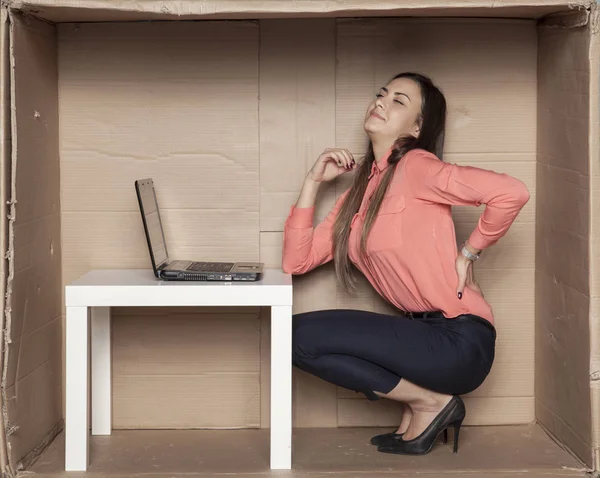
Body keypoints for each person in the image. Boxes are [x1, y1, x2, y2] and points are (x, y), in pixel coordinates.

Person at [281, 72, 530, 456]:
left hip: (460, 340)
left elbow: (511, 192)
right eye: (381, 94)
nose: (380, 101)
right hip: (422, 337)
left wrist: (470, 252)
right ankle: (426, 401)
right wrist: (313, 181)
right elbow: (297, 261)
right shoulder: (357, 196)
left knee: (295, 336)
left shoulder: (416, 166)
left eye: (398, 100)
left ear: (417, 127)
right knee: (291, 337)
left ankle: (430, 404)